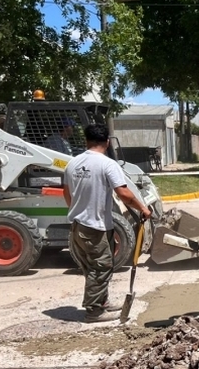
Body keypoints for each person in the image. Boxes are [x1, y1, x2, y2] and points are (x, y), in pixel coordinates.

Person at [63, 124, 151, 323]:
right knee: (101, 267)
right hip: (95, 227)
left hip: (78, 225)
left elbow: (67, 194)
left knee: (91, 266)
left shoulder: (72, 163)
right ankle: (94, 311)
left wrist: (77, 210)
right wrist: (143, 209)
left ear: (86, 141)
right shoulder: (107, 164)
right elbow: (124, 193)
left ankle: (102, 301)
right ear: (107, 142)